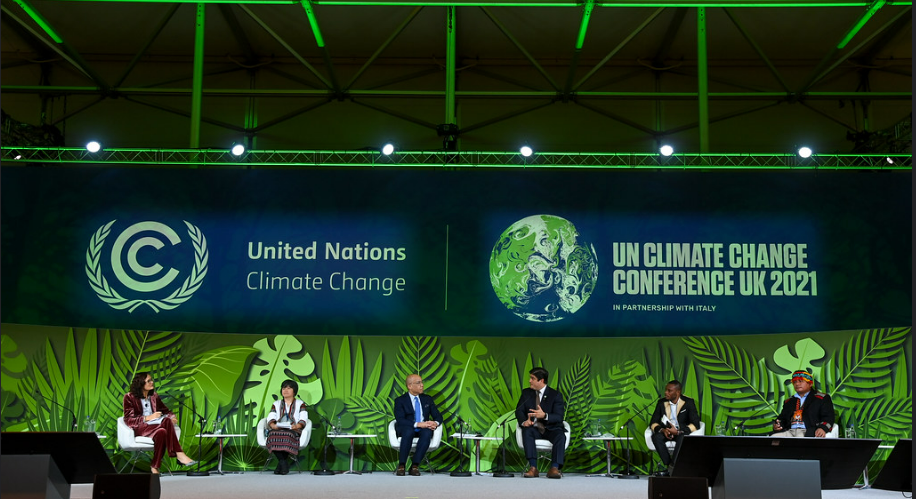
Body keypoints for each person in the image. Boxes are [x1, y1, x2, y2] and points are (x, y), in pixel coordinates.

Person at [122, 372, 197, 474]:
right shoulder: (129, 397)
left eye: (151, 380)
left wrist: (172, 417)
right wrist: (148, 417)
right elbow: (128, 420)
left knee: (162, 431)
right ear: (140, 383)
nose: (152, 382)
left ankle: (155, 466)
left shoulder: (154, 396)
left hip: (157, 427)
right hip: (141, 428)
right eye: (148, 381)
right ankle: (179, 453)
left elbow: (166, 412)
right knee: (165, 421)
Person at [515, 367, 566, 479]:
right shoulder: (526, 393)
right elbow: (519, 410)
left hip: (551, 429)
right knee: (527, 431)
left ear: (541, 380)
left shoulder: (555, 395)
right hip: (534, 428)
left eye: (532, 378)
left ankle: (554, 468)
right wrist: (525, 422)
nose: (529, 381)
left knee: (560, 436)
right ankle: (533, 468)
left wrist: (545, 415)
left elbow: (559, 416)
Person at [393, 374, 443, 476]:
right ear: (409, 386)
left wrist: (435, 423)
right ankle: (402, 465)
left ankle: (415, 466)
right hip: (407, 427)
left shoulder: (427, 399)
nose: (422, 385)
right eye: (418, 383)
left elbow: (438, 416)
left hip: (424, 428)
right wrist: (418, 424)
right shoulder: (400, 400)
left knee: (427, 432)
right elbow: (400, 420)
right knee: (408, 431)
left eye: (422, 382)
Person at [648, 380, 700, 476]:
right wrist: (663, 430)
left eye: (669, 390)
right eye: (666, 390)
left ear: (678, 392)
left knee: (682, 438)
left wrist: (678, 432)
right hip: (666, 431)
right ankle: (669, 466)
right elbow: (653, 422)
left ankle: (672, 467)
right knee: (656, 437)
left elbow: (696, 424)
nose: (666, 393)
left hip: (681, 432)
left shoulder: (688, 402)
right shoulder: (661, 402)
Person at [772, 370, 835, 437]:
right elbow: (782, 419)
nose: (797, 384)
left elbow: (829, 417)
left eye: (800, 381)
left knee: (800, 438)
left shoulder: (821, 398)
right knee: (774, 438)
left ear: (810, 384)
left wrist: (822, 428)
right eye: (795, 382)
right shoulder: (789, 401)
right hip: (790, 431)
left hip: (808, 430)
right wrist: (778, 425)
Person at [265, 379, 310, 475]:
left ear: (294, 391)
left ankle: (281, 464)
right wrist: (273, 425)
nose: (285, 390)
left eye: (289, 388)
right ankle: (283, 463)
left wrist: (297, 425)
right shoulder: (276, 404)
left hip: (293, 430)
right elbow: (271, 416)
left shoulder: (300, 404)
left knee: (287, 435)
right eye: (284, 388)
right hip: (278, 429)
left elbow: (303, 417)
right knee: (272, 434)